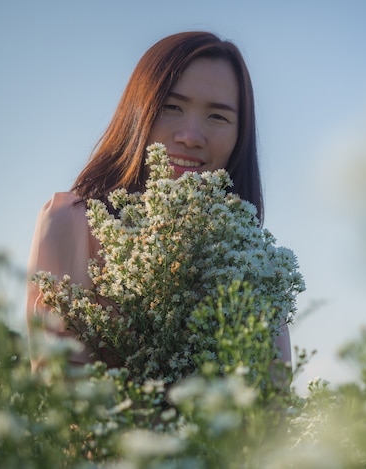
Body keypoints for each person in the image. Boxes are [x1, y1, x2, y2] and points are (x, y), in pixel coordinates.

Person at [26, 31, 291, 373]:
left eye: (218, 116)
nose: (191, 136)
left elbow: (273, 406)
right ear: (138, 110)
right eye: (172, 107)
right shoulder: (73, 223)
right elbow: (61, 389)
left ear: (241, 133)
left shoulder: (254, 264)